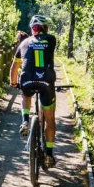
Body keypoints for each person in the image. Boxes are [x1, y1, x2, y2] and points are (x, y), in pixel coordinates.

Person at [9, 14, 58, 164]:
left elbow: (14, 68)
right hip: (46, 82)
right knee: (49, 117)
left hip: (27, 80)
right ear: (45, 28)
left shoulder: (23, 44)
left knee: (25, 93)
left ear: (32, 28)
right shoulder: (51, 39)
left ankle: (25, 120)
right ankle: (49, 154)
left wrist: (14, 83)